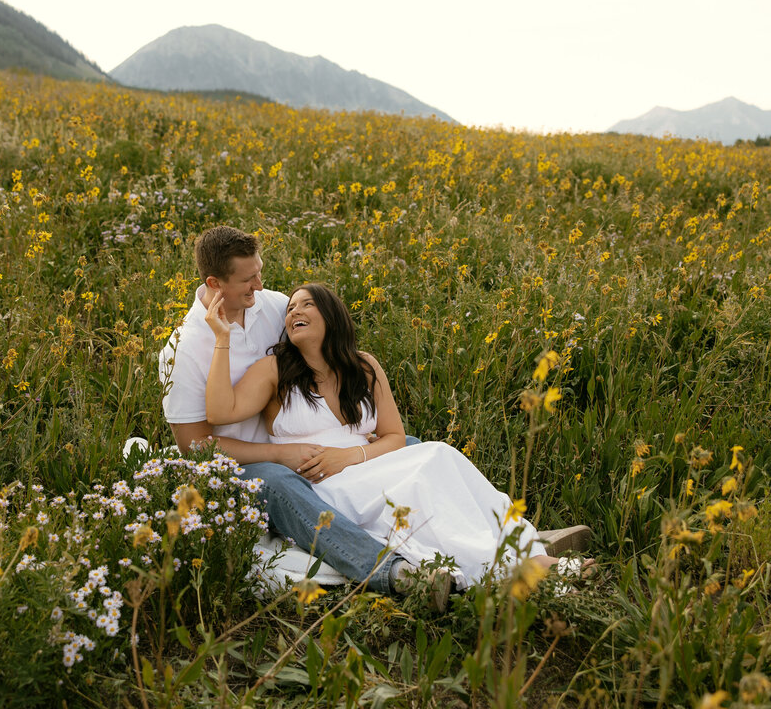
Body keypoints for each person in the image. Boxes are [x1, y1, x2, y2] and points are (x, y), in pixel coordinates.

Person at [203, 282, 593, 592]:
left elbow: (394, 435)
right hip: (323, 487)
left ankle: (519, 549)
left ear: (332, 315)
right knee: (424, 472)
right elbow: (220, 412)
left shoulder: (364, 366)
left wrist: (350, 456)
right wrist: (222, 337)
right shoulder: (274, 370)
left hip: (366, 465)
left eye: (306, 304)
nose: (294, 312)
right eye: (290, 308)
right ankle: (519, 562)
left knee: (436, 455)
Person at [159, 227, 439, 599]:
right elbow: (195, 447)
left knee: (413, 450)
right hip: (242, 468)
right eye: (248, 279)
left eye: (260, 271)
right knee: (278, 482)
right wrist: (278, 454)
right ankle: (394, 572)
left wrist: (349, 439)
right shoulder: (182, 350)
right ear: (214, 282)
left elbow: (321, 351)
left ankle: (489, 537)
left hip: (304, 448)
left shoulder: (272, 306)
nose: (259, 285)